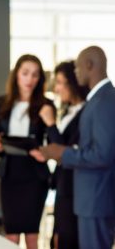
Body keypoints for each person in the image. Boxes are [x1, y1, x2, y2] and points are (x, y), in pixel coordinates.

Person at [34, 46, 115, 249]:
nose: (76, 72)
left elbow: (103, 155)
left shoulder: (104, 100)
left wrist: (63, 153)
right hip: (90, 199)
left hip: (96, 199)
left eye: (78, 68)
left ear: (89, 65)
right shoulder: (97, 99)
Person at [0, 54, 54, 249]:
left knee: (32, 235)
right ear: (16, 75)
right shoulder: (2, 103)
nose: (30, 79)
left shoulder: (46, 105)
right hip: (10, 174)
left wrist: (44, 152)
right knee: (11, 235)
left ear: (40, 79)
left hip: (34, 175)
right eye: (25, 73)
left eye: (35, 75)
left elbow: (55, 143)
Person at [38, 61, 88, 249]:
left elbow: (65, 149)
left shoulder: (86, 112)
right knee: (58, 237)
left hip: (74, 187)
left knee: (67, 238)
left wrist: (51, 124)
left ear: (73, 83)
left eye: (60, 82)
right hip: (63, 184)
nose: (56, 89)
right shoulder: (68, 110)